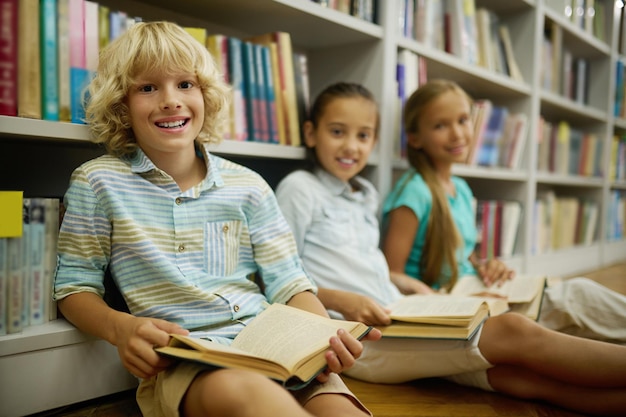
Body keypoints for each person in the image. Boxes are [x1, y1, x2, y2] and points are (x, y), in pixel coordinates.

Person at [52, 22, 381, 417]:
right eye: (147, 87)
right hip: (192, 360)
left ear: (206, 94)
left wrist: (327, 335)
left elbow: (290, 283)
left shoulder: (250, 186)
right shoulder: (98, 182)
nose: (171, 100)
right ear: (122, 103)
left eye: (185, 84)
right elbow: (73, 288)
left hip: (276, 345)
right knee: (252, 398)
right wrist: (120, 328)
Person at [275, 81, 626, 416]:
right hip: (356, 337)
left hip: (396, 312)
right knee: (514, 330)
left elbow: (373, 268)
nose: (351, 146)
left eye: (363, 135)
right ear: (311, 134)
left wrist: (404, 285)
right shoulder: (299, 189)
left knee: (515, 377)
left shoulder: (363, 194)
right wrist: (341, 300)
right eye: (338, 132)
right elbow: (279, 279)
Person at [381, 78, 626, 345]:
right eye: (441, 125)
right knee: (572, 298)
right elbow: (392, 274)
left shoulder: (460, 189)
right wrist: (449, 299)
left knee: (568, 298)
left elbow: (459, 254)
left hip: (471, 286)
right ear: (415, 138)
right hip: (445, 301)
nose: (457, 134)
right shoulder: (414, 193)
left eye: (463, 120)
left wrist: (486, 266)